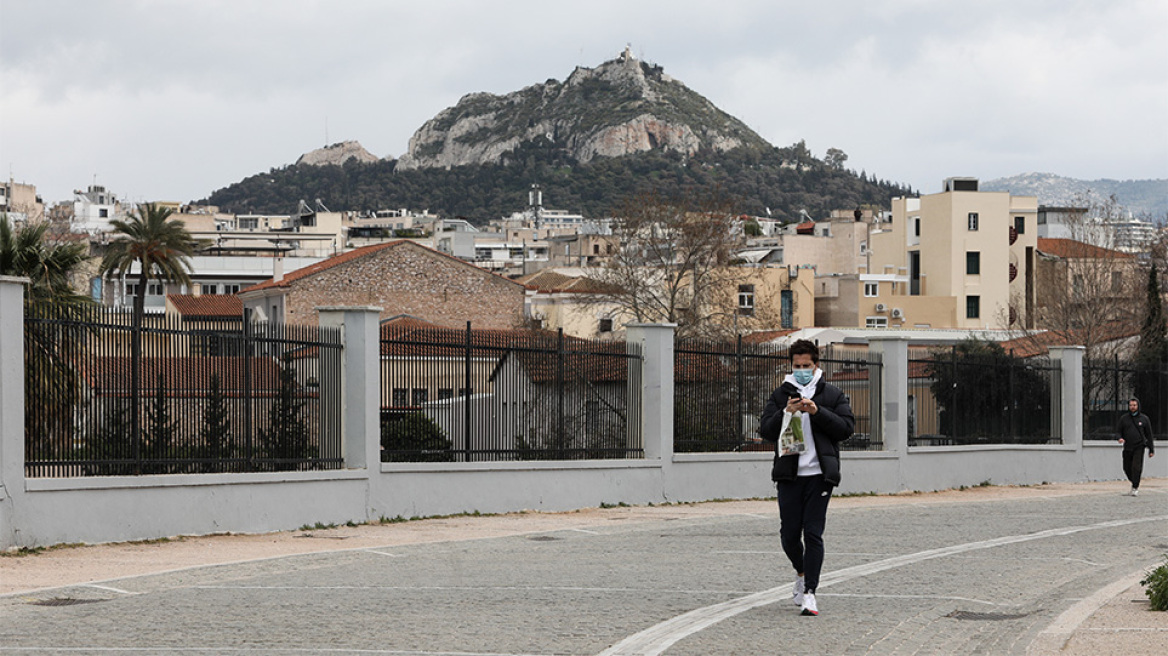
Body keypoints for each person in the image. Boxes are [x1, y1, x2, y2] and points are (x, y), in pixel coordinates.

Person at [759, 339, 854, 616]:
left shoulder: (832, 394)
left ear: (816, 366)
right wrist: (785, 412)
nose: (802, 370)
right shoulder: (781, 395)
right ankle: (801, 573)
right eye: (797, 366)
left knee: (813, 533)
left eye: (807, 366)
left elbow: (846, 428)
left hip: (819, 475)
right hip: (790, 476)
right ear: (791, 365)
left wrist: (817, 412)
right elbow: (765, 429)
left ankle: (811, 593)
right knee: (789, 535)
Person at [1117, 397, 1155, 496]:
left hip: (1139, 446)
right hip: (1127, 446)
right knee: (1126, 468)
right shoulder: (1124, 418)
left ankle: (1135, 487)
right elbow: (1118, 431)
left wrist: (1151, 449)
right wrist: (1120, 438)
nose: (1132, 407)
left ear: (1138, 406)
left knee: (1136, 467)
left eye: (1134, 405)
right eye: (1131, 405)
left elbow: (1149, 435)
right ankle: (1134, 482)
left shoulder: (1144, 419)